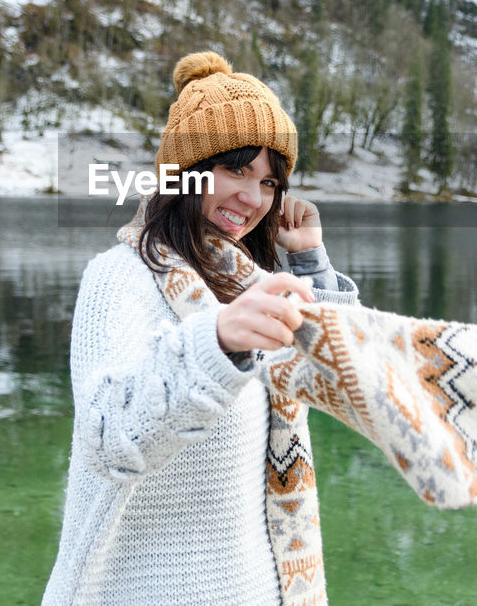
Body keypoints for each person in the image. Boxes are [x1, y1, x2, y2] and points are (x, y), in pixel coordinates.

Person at [44, 51, 358, 604]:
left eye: (268, 181)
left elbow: (345, 381)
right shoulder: (120, 278)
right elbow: (107, 437)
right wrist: (217, 343)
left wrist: (310, 263)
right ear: (185, 169)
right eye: (236, 169)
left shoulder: (245, 281)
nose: (253, 197)